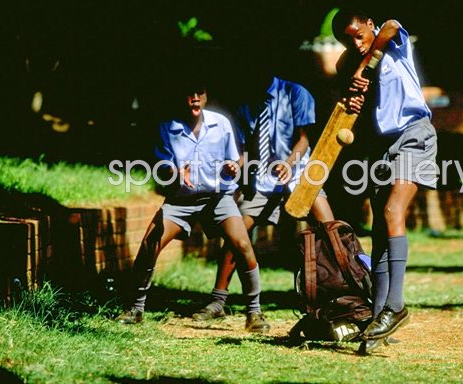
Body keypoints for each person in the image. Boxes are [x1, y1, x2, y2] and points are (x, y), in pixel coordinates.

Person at [116, 81, 268, 333]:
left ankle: (254, 313)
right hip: (181, 200)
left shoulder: (220, 124)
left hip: (217, 198)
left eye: (200, 93)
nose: (195, 98)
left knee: (242, 244)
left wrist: (234, 166)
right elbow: (162, 166)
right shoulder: (168, 128)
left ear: (206, 97)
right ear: (181, 98)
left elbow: (237, 157)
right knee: (149, 242)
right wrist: (176, 171)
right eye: (189, 94)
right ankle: (135, 308)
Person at [191, 71, 334, 327]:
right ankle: (217, 301)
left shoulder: (295, 93)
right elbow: (247, 149)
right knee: (236, 234)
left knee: (331, 230)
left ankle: (343, 295)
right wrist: (235, 165)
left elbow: (304, 139)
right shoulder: (246, 103)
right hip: (264, 180)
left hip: (299, 173)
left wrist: (290, 164)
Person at [332, 9, 438, 354]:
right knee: (380, 226)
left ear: (367, 24)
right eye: (347, 39)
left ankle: (395, 306)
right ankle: (379, 318)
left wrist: (364, 66)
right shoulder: (353, 65)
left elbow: (392, 25)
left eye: (357, 33)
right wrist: (354, 87)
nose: (355, 41)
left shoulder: (392, 45)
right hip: (382, 145)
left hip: (414, 135)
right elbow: (340, 75)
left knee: (394, 211)